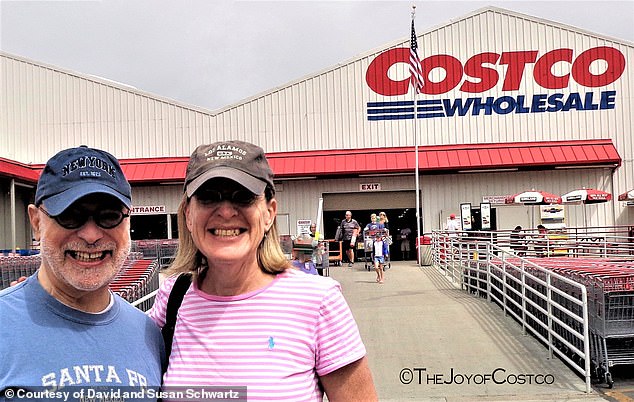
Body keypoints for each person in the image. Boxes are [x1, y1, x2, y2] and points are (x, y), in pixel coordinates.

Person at [148, 140, 377, 401]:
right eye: (209, 197)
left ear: (269, 213)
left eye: (243, 196)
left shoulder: (317, 300)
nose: (224, 211)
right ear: (188, 214)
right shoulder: (172, 298)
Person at [0, 146, 165, 396]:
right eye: (70, 215)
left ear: (128, 222)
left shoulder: (148, 334)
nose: (90, 235)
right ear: (36, 223)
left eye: (109, 216)